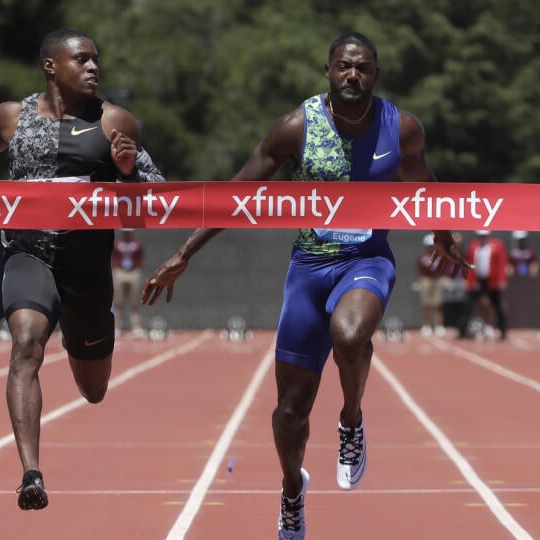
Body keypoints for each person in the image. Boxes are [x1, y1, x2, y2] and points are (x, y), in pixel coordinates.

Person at [139, 33, 469, 539]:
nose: (352, 76)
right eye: (343, 67)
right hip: (309, 270)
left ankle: (351, 422)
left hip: (367, 259)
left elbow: (423, 182)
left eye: (362, 68)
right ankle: (292, 491)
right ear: (328, 71)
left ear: (375, 74)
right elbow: (237, 191)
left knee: (351, 334)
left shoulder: (399, 127)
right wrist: (184, 254)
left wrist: (443, 236)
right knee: (290, 411)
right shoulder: (296, 128)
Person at [0, 28, 164, 510]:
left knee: (93, 389)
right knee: (25, 344)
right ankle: (31, 473)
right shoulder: (13, 116)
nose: (93, 67)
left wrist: (128, 170)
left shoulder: (114, 119)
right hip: (29, 253)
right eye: (81, 59)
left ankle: (82, 341)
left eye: (96, 61)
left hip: (87, 266)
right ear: (52, 66)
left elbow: (158, 192)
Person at [458, 230, 508, 340]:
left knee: (498, 306)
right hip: (476, 280)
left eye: (484, 235)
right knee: (467, 304)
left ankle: (503, 331)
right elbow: (468, 262)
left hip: (492, 280)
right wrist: (467, 279)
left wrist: (501, 279)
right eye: (480, 236)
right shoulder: (473, 245)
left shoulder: (497, 245)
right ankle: (462, 331)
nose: (482, 238)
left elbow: (501, 262)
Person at [112, 229, 145, 337]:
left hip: (133, 272)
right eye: (125, 232)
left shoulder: (137, 244)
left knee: (134, 301)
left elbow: (141, 257)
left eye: (129, 232)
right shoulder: (117, 244)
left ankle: (136, 327)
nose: (127, 233)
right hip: (120, 272)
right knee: (118, 301)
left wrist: (138, 270)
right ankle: (116, 327)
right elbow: (113, 257)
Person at [415, 233, 447, 336]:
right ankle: (426, 325)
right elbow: (420, 270)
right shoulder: (422, 257)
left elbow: (443, 269)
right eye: (429, 246)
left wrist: (443, 278)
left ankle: (439, 326)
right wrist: (420, 281)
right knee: (426, 304)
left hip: (437, 280)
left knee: (438, 304)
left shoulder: (440, 256)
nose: (431, 247)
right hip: (426, 280)